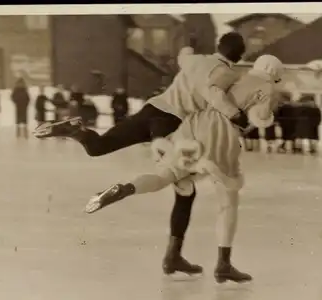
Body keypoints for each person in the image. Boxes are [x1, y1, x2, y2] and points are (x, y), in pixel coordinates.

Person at [34, 32, 248, 276]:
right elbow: (217, 97)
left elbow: (183, 55)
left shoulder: (195, 60)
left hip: (152, 109)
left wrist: (189, 46)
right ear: (240, 56)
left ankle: (76, 132)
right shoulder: (229, 74)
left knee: (99, 146)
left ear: (219, 45)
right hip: (172, 123)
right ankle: (171, 253)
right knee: (181, 187)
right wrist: (237, 116)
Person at [84, 55, 284, 284]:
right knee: (228, 201)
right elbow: (258, 117)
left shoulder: (238, 77)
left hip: (195, 125)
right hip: (223, 134)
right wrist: (267, 117)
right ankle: (223, 264)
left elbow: (213, 92)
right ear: (275, 72)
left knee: (166, 175)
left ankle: (126, 188)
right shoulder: (267, 87)